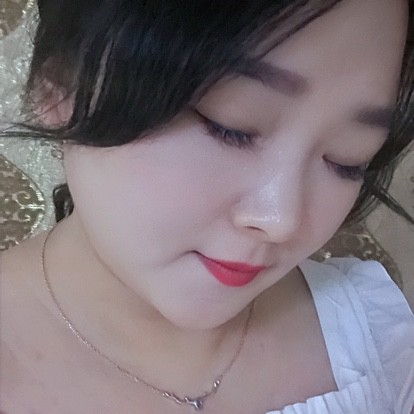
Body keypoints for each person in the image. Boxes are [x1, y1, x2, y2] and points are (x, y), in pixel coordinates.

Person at [1, 0, 413, 413]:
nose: (281, 220)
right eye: (231, 128)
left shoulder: (373, 334)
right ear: (60, 95)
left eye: (347, 159)